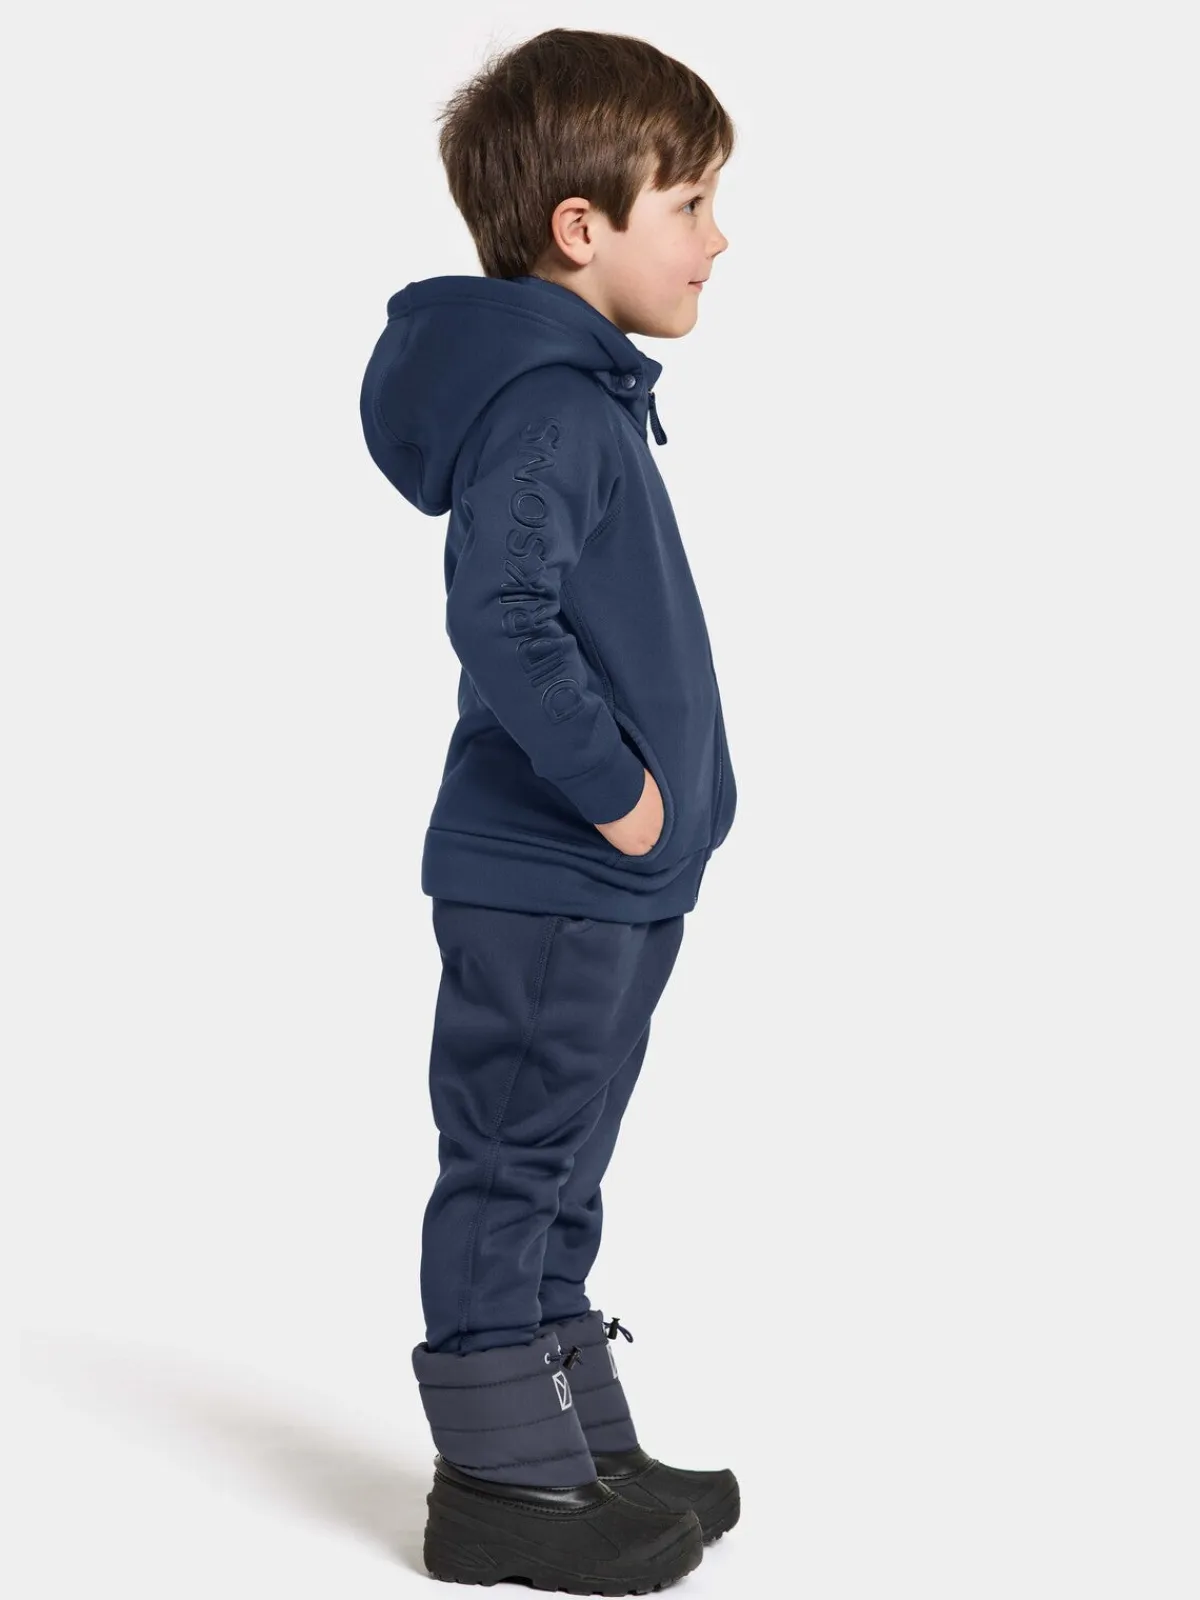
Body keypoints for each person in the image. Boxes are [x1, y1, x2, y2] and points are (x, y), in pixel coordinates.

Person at [359, 26, 740, 1592]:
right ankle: (500, 1486)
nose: (719, 237)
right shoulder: (549, 406)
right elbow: (503, 617)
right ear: (583, 227)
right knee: (514, 1164)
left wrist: (658, 829)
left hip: (612, 884)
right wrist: (625, 800)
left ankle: (573, 1442)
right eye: (691, 202)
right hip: (552, 872)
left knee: (562, 1167)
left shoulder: (585, 394)